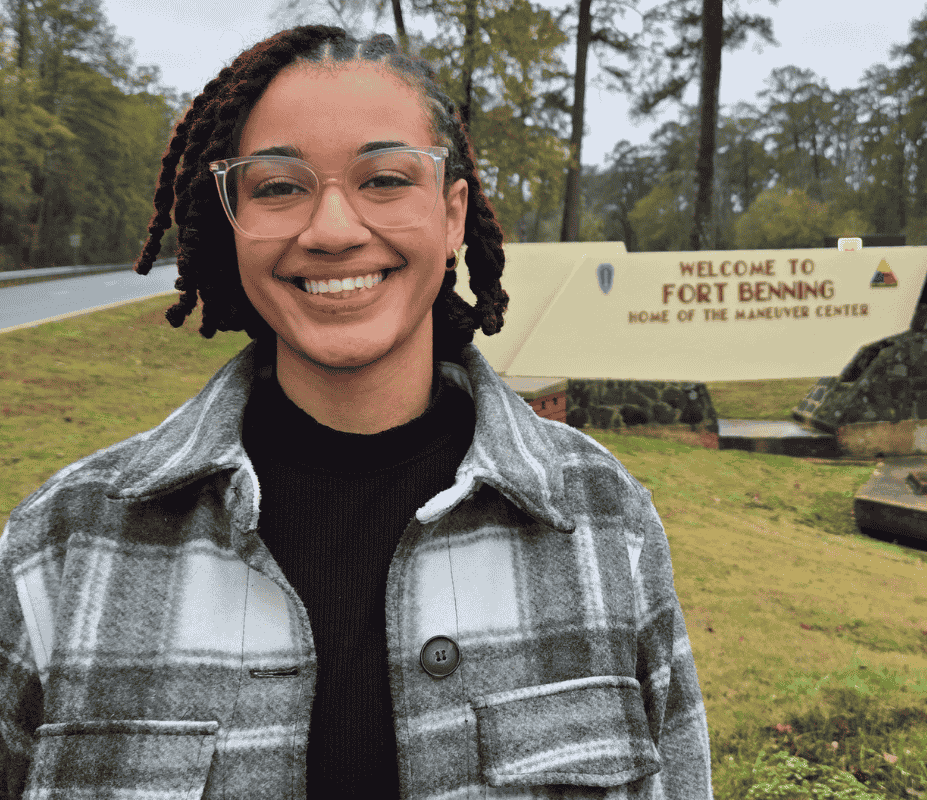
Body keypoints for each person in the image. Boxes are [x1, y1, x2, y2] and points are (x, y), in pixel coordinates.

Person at [0, 25, 712, 799]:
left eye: (385, 180)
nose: (333, 230)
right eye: (278, 186)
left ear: (451, 215)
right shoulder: (63, 545)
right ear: (232, 221)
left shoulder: (604, 519)